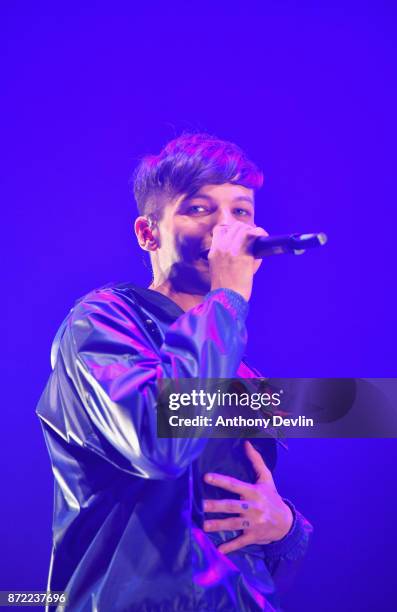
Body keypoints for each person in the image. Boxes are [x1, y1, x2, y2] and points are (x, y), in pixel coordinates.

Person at [36, 133, 313, 612]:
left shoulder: (239, 366)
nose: (227, 228)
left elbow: (265, 561)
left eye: (241, 212)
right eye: (201, 209)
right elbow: (160, 445)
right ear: (148, 233)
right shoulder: (101, 323)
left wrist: (286, 525)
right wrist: (228, 297)